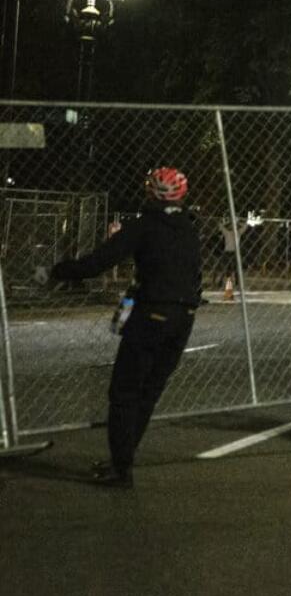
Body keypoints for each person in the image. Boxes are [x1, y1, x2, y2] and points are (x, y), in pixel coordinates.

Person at [48, 167, 202, 488]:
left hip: (151, 315)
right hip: (183, 317)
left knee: (124, 391)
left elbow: (99, 261)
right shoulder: (188, 228)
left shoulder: (144, 226)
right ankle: (123, 458)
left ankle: (121, 468)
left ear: (151, 193)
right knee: (149, 391)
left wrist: (57, 271)